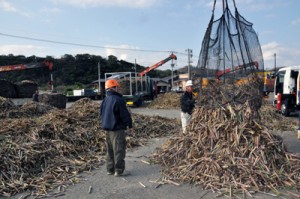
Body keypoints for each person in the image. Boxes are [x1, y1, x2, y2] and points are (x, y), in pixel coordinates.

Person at [100, 79, 133, 177]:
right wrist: (129, 125)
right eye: (117, 87)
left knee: (110, 150)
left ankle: (110, 169)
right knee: (118, 150)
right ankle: (119, 171)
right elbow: (124, 115)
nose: (118, 88)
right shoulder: (118, 99)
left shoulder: (105, 100)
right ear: (113, 88)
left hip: (107, 129)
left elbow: (101, 113)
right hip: (117, 129)